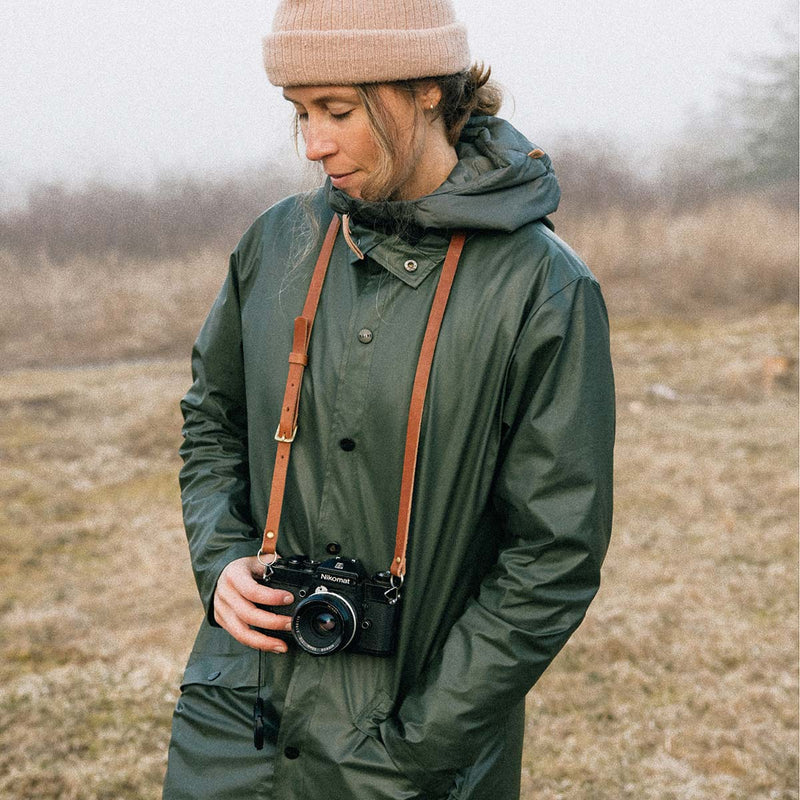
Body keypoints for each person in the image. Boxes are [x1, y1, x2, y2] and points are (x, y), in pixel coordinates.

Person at [163, 1, 615, 798]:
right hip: (237, 729)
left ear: (427, 91)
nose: (314, 143)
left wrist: (416, 747)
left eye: (338, 110)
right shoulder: (275, 243)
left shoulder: (544, 289)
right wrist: (222, 559)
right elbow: (212, 424)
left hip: (412, 752)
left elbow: (553, 556)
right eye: (300, 112)